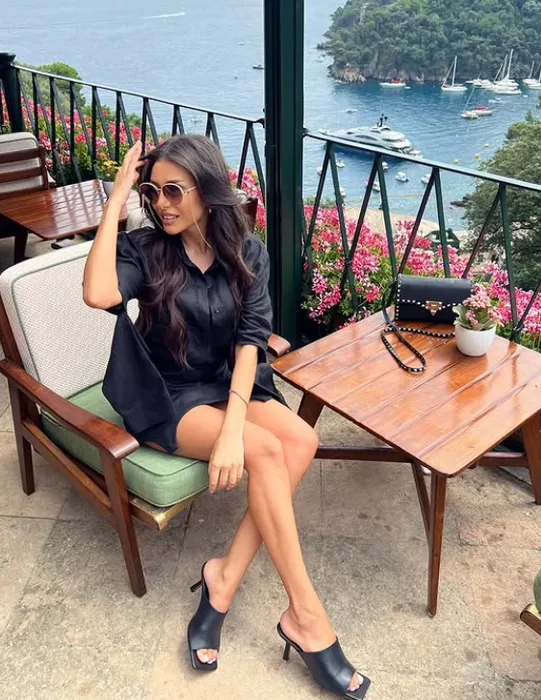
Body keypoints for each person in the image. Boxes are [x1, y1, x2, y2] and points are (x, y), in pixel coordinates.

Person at [83, 135, 369, 699]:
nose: (161, 203)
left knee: (301, 441)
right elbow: (97, 294)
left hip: (224, 380)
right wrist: (117, 199)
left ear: (206, 190)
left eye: (173, 190)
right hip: (166, 392)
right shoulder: (145, 248)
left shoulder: (247, 250)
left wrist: (234, 428)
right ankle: (307, 617)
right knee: (268, 450)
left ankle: (222, 577)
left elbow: (249, 341)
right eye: (152, 192)